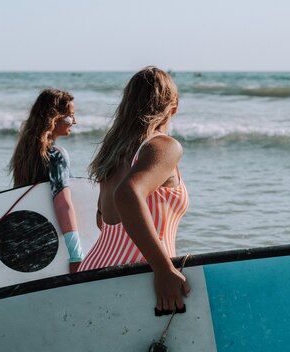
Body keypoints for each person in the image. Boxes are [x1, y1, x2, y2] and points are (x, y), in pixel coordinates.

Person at [79, 66, 191, 314]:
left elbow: (103, 221)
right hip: (133, 276)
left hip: (94, 271)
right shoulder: (163, 146)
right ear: (173, 106)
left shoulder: (113, 154)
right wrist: (163, 269)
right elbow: (127, 195)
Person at [9, 89, 83, 273]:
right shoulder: (56, 154)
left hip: (29, 240)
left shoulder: (24, 152)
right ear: (54, 118)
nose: (74, 121)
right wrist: (76, 254)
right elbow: (62, 205)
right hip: (54, 244)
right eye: (70, 116)